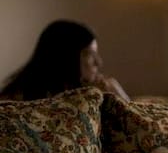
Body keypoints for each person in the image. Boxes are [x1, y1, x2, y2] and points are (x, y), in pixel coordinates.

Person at [1, 20, 130, 101]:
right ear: (66, 57)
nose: (98, 62)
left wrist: (119, 97)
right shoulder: (19, 102)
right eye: (89, 54)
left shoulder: (88, 92)